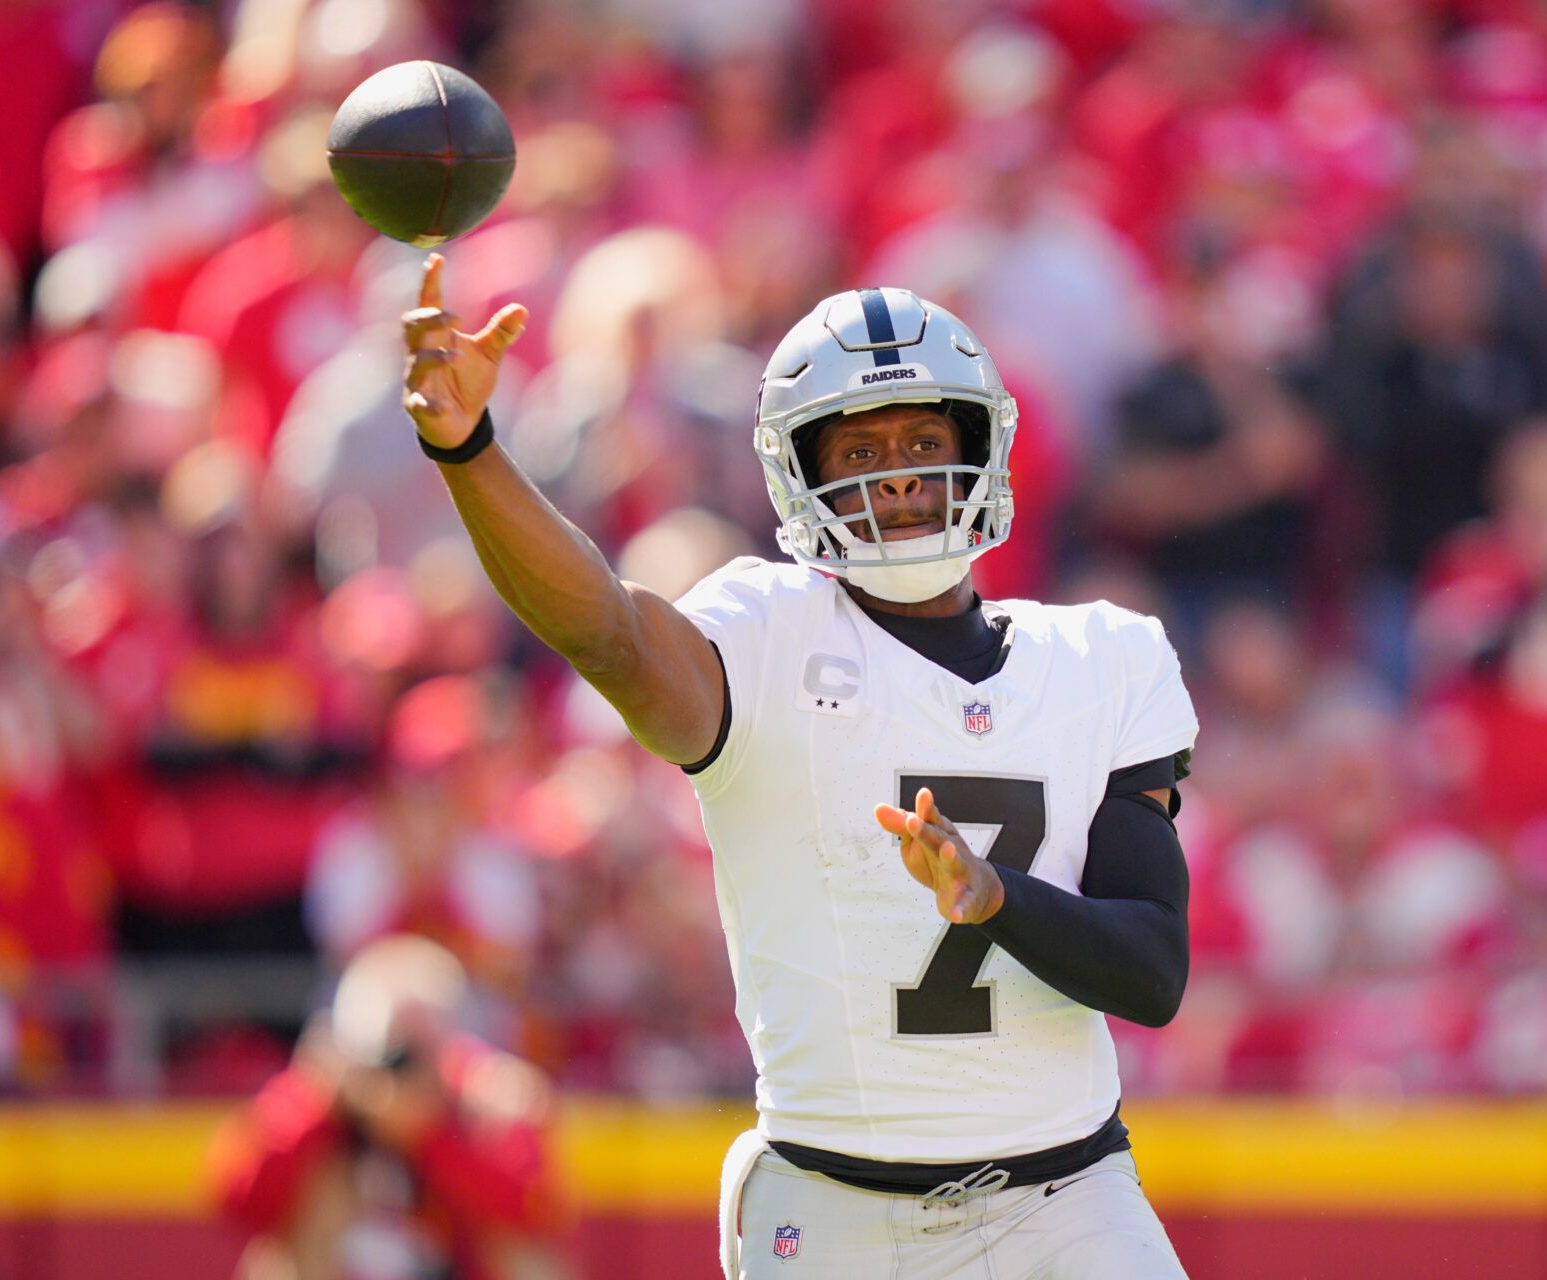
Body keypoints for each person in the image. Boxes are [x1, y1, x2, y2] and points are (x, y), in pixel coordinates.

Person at [400, 263, 1197, 1278]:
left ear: (981, 448)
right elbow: (605, 629)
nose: (899, 474)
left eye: (922, 441)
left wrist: (996, 896)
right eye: (859, 448)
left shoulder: (1105, 657)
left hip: (1069, 1197)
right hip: (835, 1208)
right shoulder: (766, 631)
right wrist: (469, 450)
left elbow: (1153, 969)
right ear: (800, 475)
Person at [209, 934, 565, 1280]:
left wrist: (431, 1136)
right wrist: (320, 1111)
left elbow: (540, 1209)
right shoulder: (322, 1089)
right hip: (336, 1261)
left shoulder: (485, 1092)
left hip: (455, 1262)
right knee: (277, 1250)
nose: (404, 1069)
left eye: (418, 1049)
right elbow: (234, 1198)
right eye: (394, 1052)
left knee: (525, 1258)